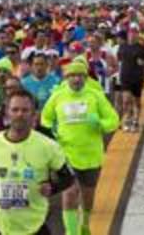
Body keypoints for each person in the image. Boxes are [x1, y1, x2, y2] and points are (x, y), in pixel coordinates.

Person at [0, 89, 79, 235]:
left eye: (25, 110)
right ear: (7, 113)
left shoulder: (48, 146)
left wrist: (53, 187)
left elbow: (69, 177)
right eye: (15, 110)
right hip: (1, 227)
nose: (19, 114)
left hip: (35, 226)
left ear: (34, 115)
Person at [40, 57, 119, 235]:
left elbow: (113, 120)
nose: (76, 79)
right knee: (69, 193)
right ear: (66, 78)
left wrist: (100, 123)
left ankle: (84, 223)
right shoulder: (58, 96)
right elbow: (45, 117)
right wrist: (52, 129)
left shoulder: (95, 96)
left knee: (88, 197)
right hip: (66, 153)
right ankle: (71, 232)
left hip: (91, 155)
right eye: (72, 75)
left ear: (85, 77)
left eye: (80, 75)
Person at [116, 27, 144, 132]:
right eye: (130, 33)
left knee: (136, 101)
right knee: (126, 100)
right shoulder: (122, 47)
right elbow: (119, 59)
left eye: (134, 33)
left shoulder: (141, 48)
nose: (132, 35)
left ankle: (136, 120)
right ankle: (128, 119)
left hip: (137, 77)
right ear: (128, 35)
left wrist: (143, 63)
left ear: (137, 35)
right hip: (125, 77)